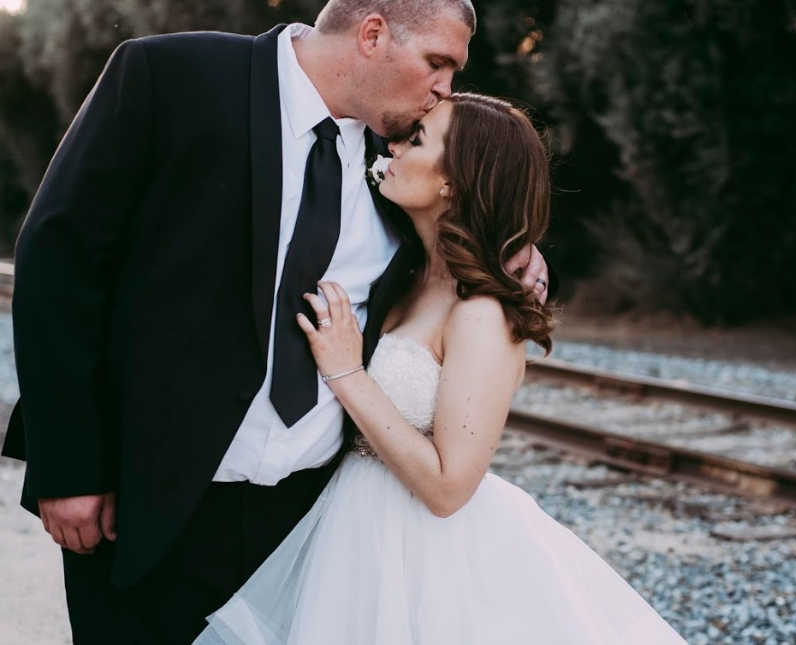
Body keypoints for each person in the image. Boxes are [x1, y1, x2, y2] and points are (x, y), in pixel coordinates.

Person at [0, 1, 555, 643]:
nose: (444, 89)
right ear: (373, 34)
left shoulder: (400, 154)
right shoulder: (172, 76)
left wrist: (526, 255)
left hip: (312, 521)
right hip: (149, 502)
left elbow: (468, 225)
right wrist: (68, 466)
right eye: (438, 63)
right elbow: (58, 262)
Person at [193, 94, 688, 645]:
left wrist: (346, 373)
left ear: (455, 182)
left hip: (424, 554)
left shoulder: (480, 314)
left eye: (416, 140)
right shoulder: (401, 268)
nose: (394, 146)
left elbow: (450, 487)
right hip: (349, 531)